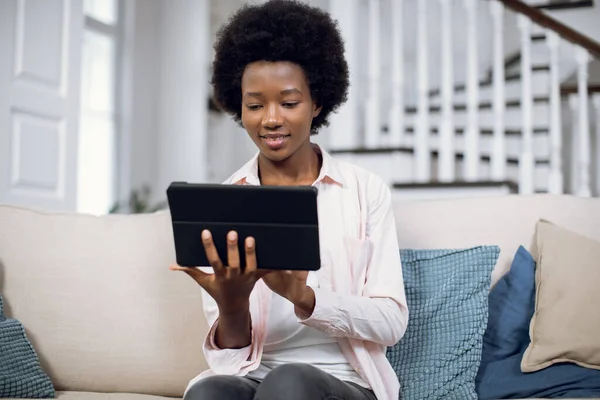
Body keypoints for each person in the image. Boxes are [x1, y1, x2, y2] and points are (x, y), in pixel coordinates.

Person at [169, 1, 408, 399]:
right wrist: (231, 306)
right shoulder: (224, 203)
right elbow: (230, 357)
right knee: (208, 393)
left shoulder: (365, 192)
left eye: (289, 102)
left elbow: (391, 322)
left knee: (290, 383)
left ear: (317, 104)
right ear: (238, 107)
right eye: (255, 105)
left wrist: (303, 295)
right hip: (255, 376)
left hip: (344, 382)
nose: (271, 119)